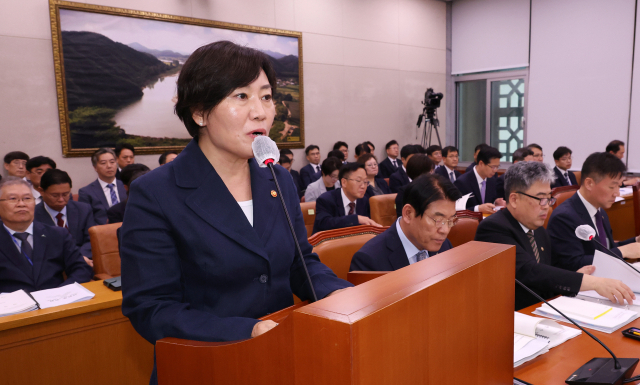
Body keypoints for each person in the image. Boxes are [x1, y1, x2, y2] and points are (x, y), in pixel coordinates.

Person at [120, 41, 351, 384]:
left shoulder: (278, 178)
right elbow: (152, 309)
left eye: (266, 96)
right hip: (207, 367)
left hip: (279, 361)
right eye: (241, 96)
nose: (260, 111)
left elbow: (300, 263)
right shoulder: (155, 194)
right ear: (199, 112)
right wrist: (249, 330)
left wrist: (339, 293)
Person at [474, 162, 635, 310]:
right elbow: (529, 272)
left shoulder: (538, 230)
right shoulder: (493, 229)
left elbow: (547, 275)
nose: (547, 207)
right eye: (540, 199)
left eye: (549, 198)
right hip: (511, 320)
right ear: (514, 199)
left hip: (542, 313)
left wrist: (575, 278)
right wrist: (592, 282)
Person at [547, 152, 640, 271]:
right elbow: (573, 264)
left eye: (619, 186)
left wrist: (635, 241)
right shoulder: (563, 217)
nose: (616, 193)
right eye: (612, 187)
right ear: (589, 183)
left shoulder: (600, 211)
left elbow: (606, 250)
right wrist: (623, 251)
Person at [350, 174, 460, 272]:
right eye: (438, 220)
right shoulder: (369, 260)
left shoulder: (444, 246)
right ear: (408, 214)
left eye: (450, 220)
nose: (445, 230)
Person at [0, 177, 93, 293]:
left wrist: (61, 293)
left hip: (57, 302)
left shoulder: (58, 234)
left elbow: (81, 269)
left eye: (27, 198)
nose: (21, 204)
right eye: (13, 199)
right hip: (12, 307)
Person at [35, 169, 96, 264]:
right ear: (41, 191)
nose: (61, 199)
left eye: (65, 194)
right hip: (51, 266)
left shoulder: (83, 209)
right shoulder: (33, 215)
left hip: (83, 261)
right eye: (55, 195)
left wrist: (78, 258)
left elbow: (91, 240)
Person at [313, 162, 381, 234]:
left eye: (365, 182)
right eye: (358, 181)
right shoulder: (326, 199)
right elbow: (325, 223)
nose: (363, 186)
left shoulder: (364, 200)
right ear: (344, 182)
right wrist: (355, 219)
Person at [78, 148, 127, 225]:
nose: (109, 166)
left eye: (112, 162)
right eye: (103, 163)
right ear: (95, 167)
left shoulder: (126, 186)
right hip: (102, 232)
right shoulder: (86, 192)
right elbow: (86, 220)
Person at [454, 146, 505, 213]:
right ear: (481, 163)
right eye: (493, 167)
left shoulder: (492, 181)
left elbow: (489, 201)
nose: (495, 170)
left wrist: (495, 202)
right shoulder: (462, 182)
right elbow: (456, 209)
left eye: (497, 167)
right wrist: (477, 209)